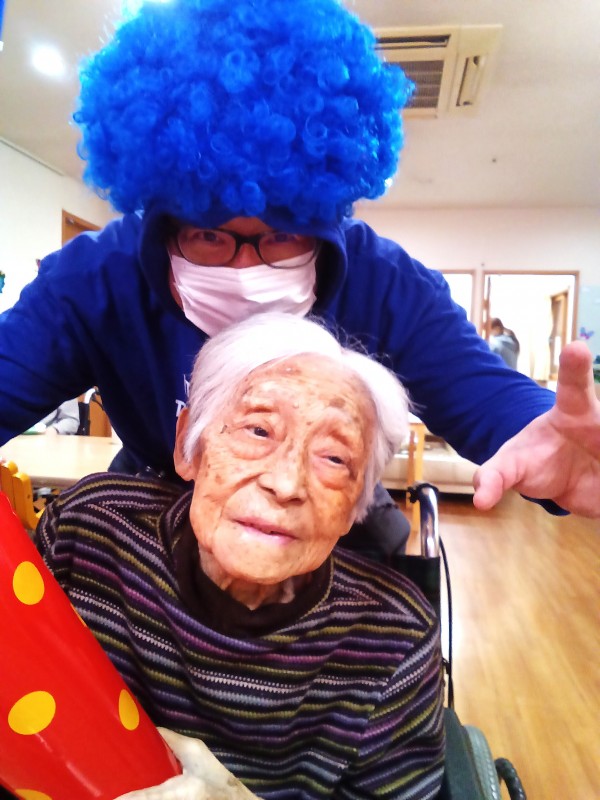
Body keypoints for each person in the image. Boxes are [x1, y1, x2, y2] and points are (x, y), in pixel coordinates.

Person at [0, 0, 598, 521]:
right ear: (161, 224)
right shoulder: (91, 282)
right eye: (208, 235)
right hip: (149, 534)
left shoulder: (389, 287)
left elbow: (490, 398)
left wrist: (549, 439)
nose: (244, 271)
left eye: (282, 236)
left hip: (331, 542)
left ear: (325, 217)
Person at [35, 313, 445, 800]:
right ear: (189, 446)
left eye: (334, 458)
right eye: (259, 431)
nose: (286, 483)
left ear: (356, 504)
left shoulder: (393, 638)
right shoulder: (89, 531)